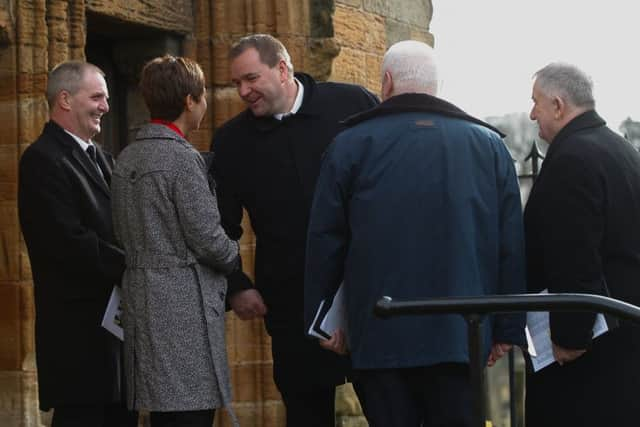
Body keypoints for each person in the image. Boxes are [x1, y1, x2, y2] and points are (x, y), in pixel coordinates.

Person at [304, 40, 526, 427]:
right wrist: (507, 326)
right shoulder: (488, 145)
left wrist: (324, 320)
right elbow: (510, 242)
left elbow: (325, 240)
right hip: (461, 332)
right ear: (436, 84)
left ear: (386, 82)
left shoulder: (349, 144)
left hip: (379, 331)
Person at [210, 34, 379, 426]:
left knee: (390, 409)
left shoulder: (352, 105)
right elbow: (220, 224)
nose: (243, 91)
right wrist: (237, 283)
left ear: (283, 69)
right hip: (291, 301)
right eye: (237, 83)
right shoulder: (232, 140)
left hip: (366, 290)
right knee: (305, 414)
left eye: (251, 78)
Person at [110, 55, 240, 427]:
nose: (204, 105)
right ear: (189, 101)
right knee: (190, 412)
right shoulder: (181, 158)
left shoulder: (128, 155)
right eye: (201, 97)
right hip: (183, 305)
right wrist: (233, 254)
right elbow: (208, 239)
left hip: (141, 297)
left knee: (164, 413)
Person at [17, 61, 138, 427]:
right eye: (97, 97)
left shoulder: (103, 157)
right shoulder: (42, 159)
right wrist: (135, 269)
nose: (105, 106)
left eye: (106, 97)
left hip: (118, 338)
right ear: (65, 100)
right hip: (78, 341)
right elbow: (68, 242)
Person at [524, 62, 640, 427]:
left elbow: (574, 254)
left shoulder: (573, 158)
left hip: (590, 352)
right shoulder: (620, 150)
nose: (531, 114)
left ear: (558, 105)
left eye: (536, 103)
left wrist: (570, 337)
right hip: (626, 331)